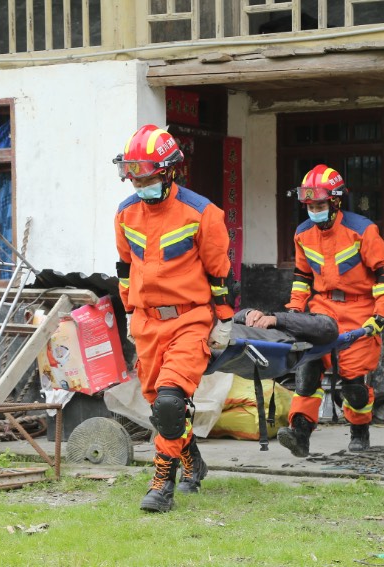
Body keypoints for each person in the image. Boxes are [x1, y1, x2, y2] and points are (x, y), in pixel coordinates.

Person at [112, 124, 235, 512]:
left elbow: (219, 273)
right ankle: (192, 461)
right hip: (147, 322)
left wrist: (224, 320)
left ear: (169, 172)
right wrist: (131, 313)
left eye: (146, 174)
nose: (138, 181)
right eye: (133, 174)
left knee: (169, 401)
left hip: (190, 319)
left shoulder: (202, 214)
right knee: (162, 409)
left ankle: (161, 485)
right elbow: (125, 269)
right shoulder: (125, 213)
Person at [276, 164, 384, 456]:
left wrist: (379, 314)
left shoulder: (362, 230)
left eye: (319, 204)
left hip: (359, 311)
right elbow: (303, 277)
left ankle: (359, 431)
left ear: (336, 201)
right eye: (309, 205)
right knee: (308, 371)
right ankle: (299, 434)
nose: (313, 210)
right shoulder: (303, 234)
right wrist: (294, 311)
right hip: (323, 309)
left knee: (352, 384)